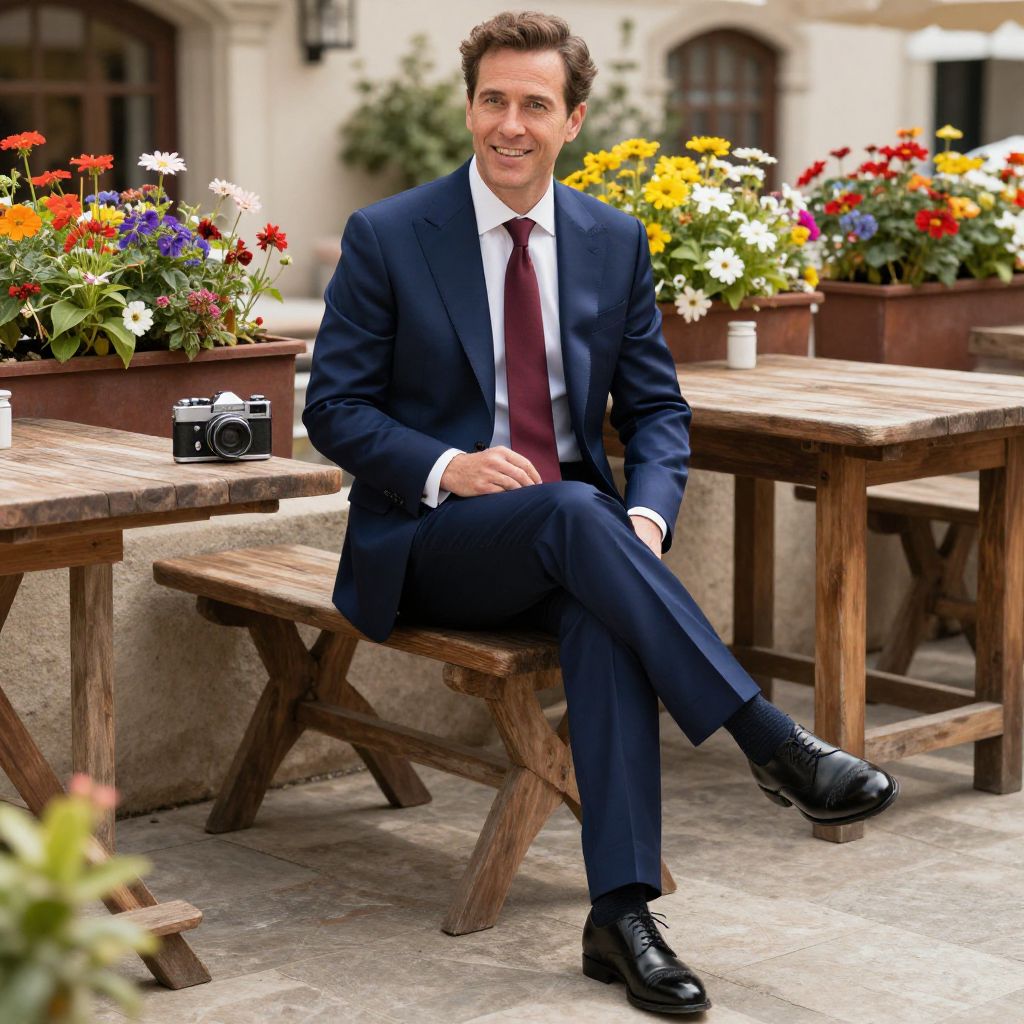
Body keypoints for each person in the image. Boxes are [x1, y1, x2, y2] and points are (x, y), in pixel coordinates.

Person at [304, 11, 899, 1016]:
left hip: (577, 542)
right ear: (469, 107)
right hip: (432, 539)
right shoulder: (391, 235)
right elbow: (334, 408)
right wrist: (449, 463)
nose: (509, 124)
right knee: (576, 511)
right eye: (492, 100)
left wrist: (650, 522)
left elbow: (658, 410)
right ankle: (769, 740)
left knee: (600, 591)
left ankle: (621, 917)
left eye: (534, 104)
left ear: (571, 119)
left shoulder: (611, 241)